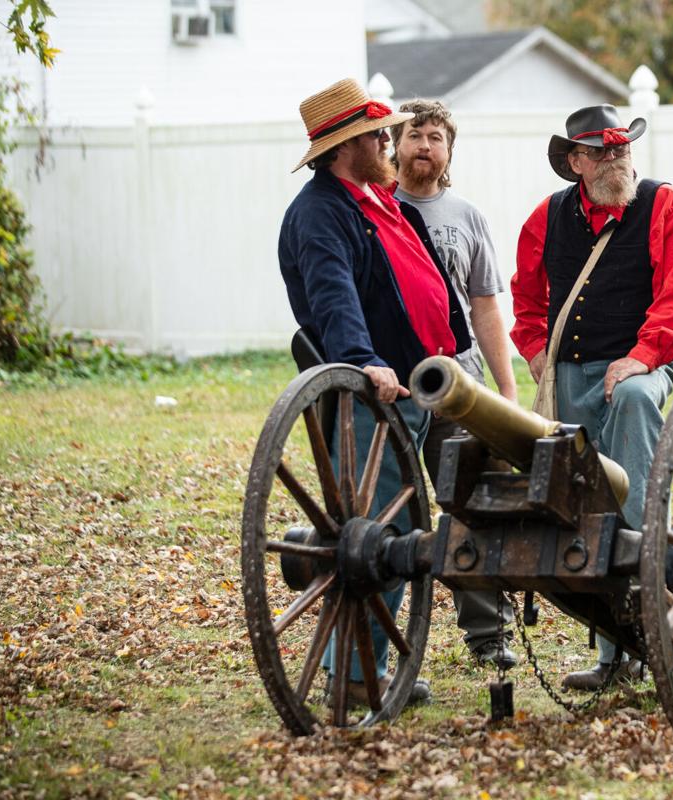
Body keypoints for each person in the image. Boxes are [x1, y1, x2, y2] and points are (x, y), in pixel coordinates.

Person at [278, 78, 472, 705]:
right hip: (371, 392)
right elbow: (333, 296)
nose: (387, 138)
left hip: (409, 385)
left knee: (384, 531)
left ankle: (364, 668)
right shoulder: (320, 213)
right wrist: (364, 362)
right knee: (372, 540)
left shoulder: (369, 198)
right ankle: (357, 677)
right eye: (375, 134)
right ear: (343, 147)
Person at [511, 104, 673, 691]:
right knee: (582, 497)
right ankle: (609, 652)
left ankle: (644, 562)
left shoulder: (667, 205)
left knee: (639, 401)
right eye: (602, 150)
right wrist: (539, 354)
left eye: (622, 147)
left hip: (644, 363)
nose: (617, 157)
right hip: (570, 370)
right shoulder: (546, 218)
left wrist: (641, 357)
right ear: (575, 162)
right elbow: (526, 301)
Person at [391, 98, 519, 670]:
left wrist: (506, 390)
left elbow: (487, 308)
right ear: (393, 145)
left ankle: (488, 631)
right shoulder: (375, 209)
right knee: (390, 506)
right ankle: (383, 645)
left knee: (472, 497)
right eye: (414, 134)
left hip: (459, 380)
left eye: (436, 137)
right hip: (392, 380)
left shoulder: (466, 216)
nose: (424, 145)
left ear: (449, 152)